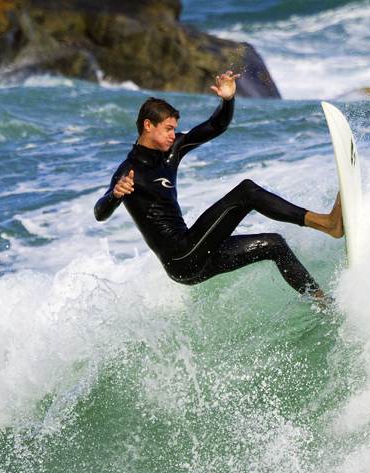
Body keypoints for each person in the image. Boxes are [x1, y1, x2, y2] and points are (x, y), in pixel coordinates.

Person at [93, 70, 343, 307]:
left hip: (197, 254)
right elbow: (100, 213)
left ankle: (322, 302)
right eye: (168, 129)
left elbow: (215, 126)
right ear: (148, 126)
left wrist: (228, 100)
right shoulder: (129, 171)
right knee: (246, 191)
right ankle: (326, 223)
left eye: (174, 129)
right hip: (181, 257)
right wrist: (115, 195)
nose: (173, 135)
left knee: (274, 244)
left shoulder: (172, 150)